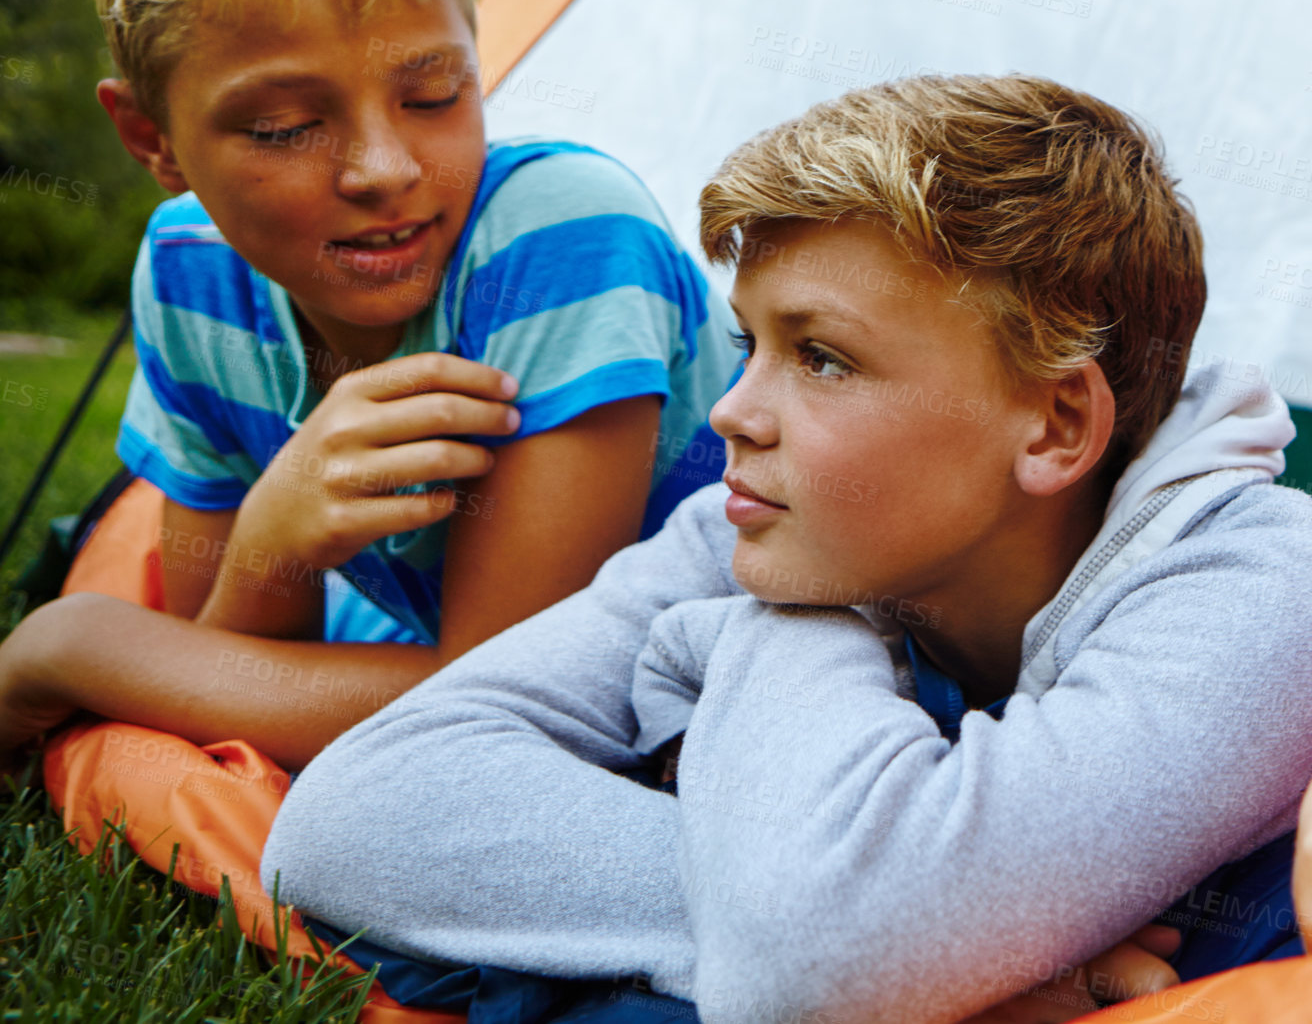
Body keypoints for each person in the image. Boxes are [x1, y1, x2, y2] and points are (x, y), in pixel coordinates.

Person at [261, 75, 1312, 1024]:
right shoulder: (763, 527)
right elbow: (347, 815)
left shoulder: (1261, 588)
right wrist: (915, 952)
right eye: (745, 344)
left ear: (1053, 425)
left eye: (820, 355)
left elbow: (811, 964)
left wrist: (864, 940)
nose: (731, 411)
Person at [0, 0, 739, 774]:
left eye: (433, 95)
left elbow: (517, 706)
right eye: (281, 126)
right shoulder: (189, 272)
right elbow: (220, 663)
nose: (385, 170)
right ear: (152, 140)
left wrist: (74, 648)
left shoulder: (564, 233)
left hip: (709, 686)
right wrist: (277, 537)